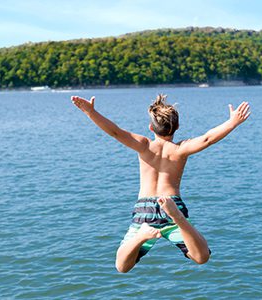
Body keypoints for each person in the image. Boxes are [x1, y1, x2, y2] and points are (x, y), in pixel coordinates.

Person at [71, 94, 250, 273]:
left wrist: (90, 112)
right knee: (201, 257)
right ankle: (179, 219)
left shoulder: (143, 145)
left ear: (151, 127)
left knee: (122, 266)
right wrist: (232, 122)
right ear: (177, 127)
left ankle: (141, 236)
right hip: (172, 204)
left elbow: (115, 132)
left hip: (145, 208)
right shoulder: (180, 149)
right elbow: (207, 139)